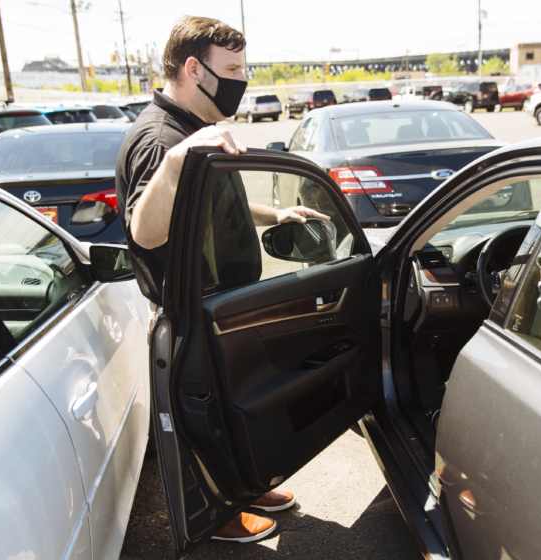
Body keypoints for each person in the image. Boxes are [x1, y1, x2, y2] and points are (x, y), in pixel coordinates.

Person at [115, 16, 326, 544]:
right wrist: (172, 164)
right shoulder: (161, 139)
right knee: (199, 422)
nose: (242, 80)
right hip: (189, 311)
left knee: (233, 414)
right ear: (194, 69)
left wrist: (272, 217)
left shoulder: (191, 129)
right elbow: (144, 230)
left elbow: (207, 203)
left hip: (219, 304)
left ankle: (243, 488)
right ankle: (218, 516)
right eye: (232, 69)